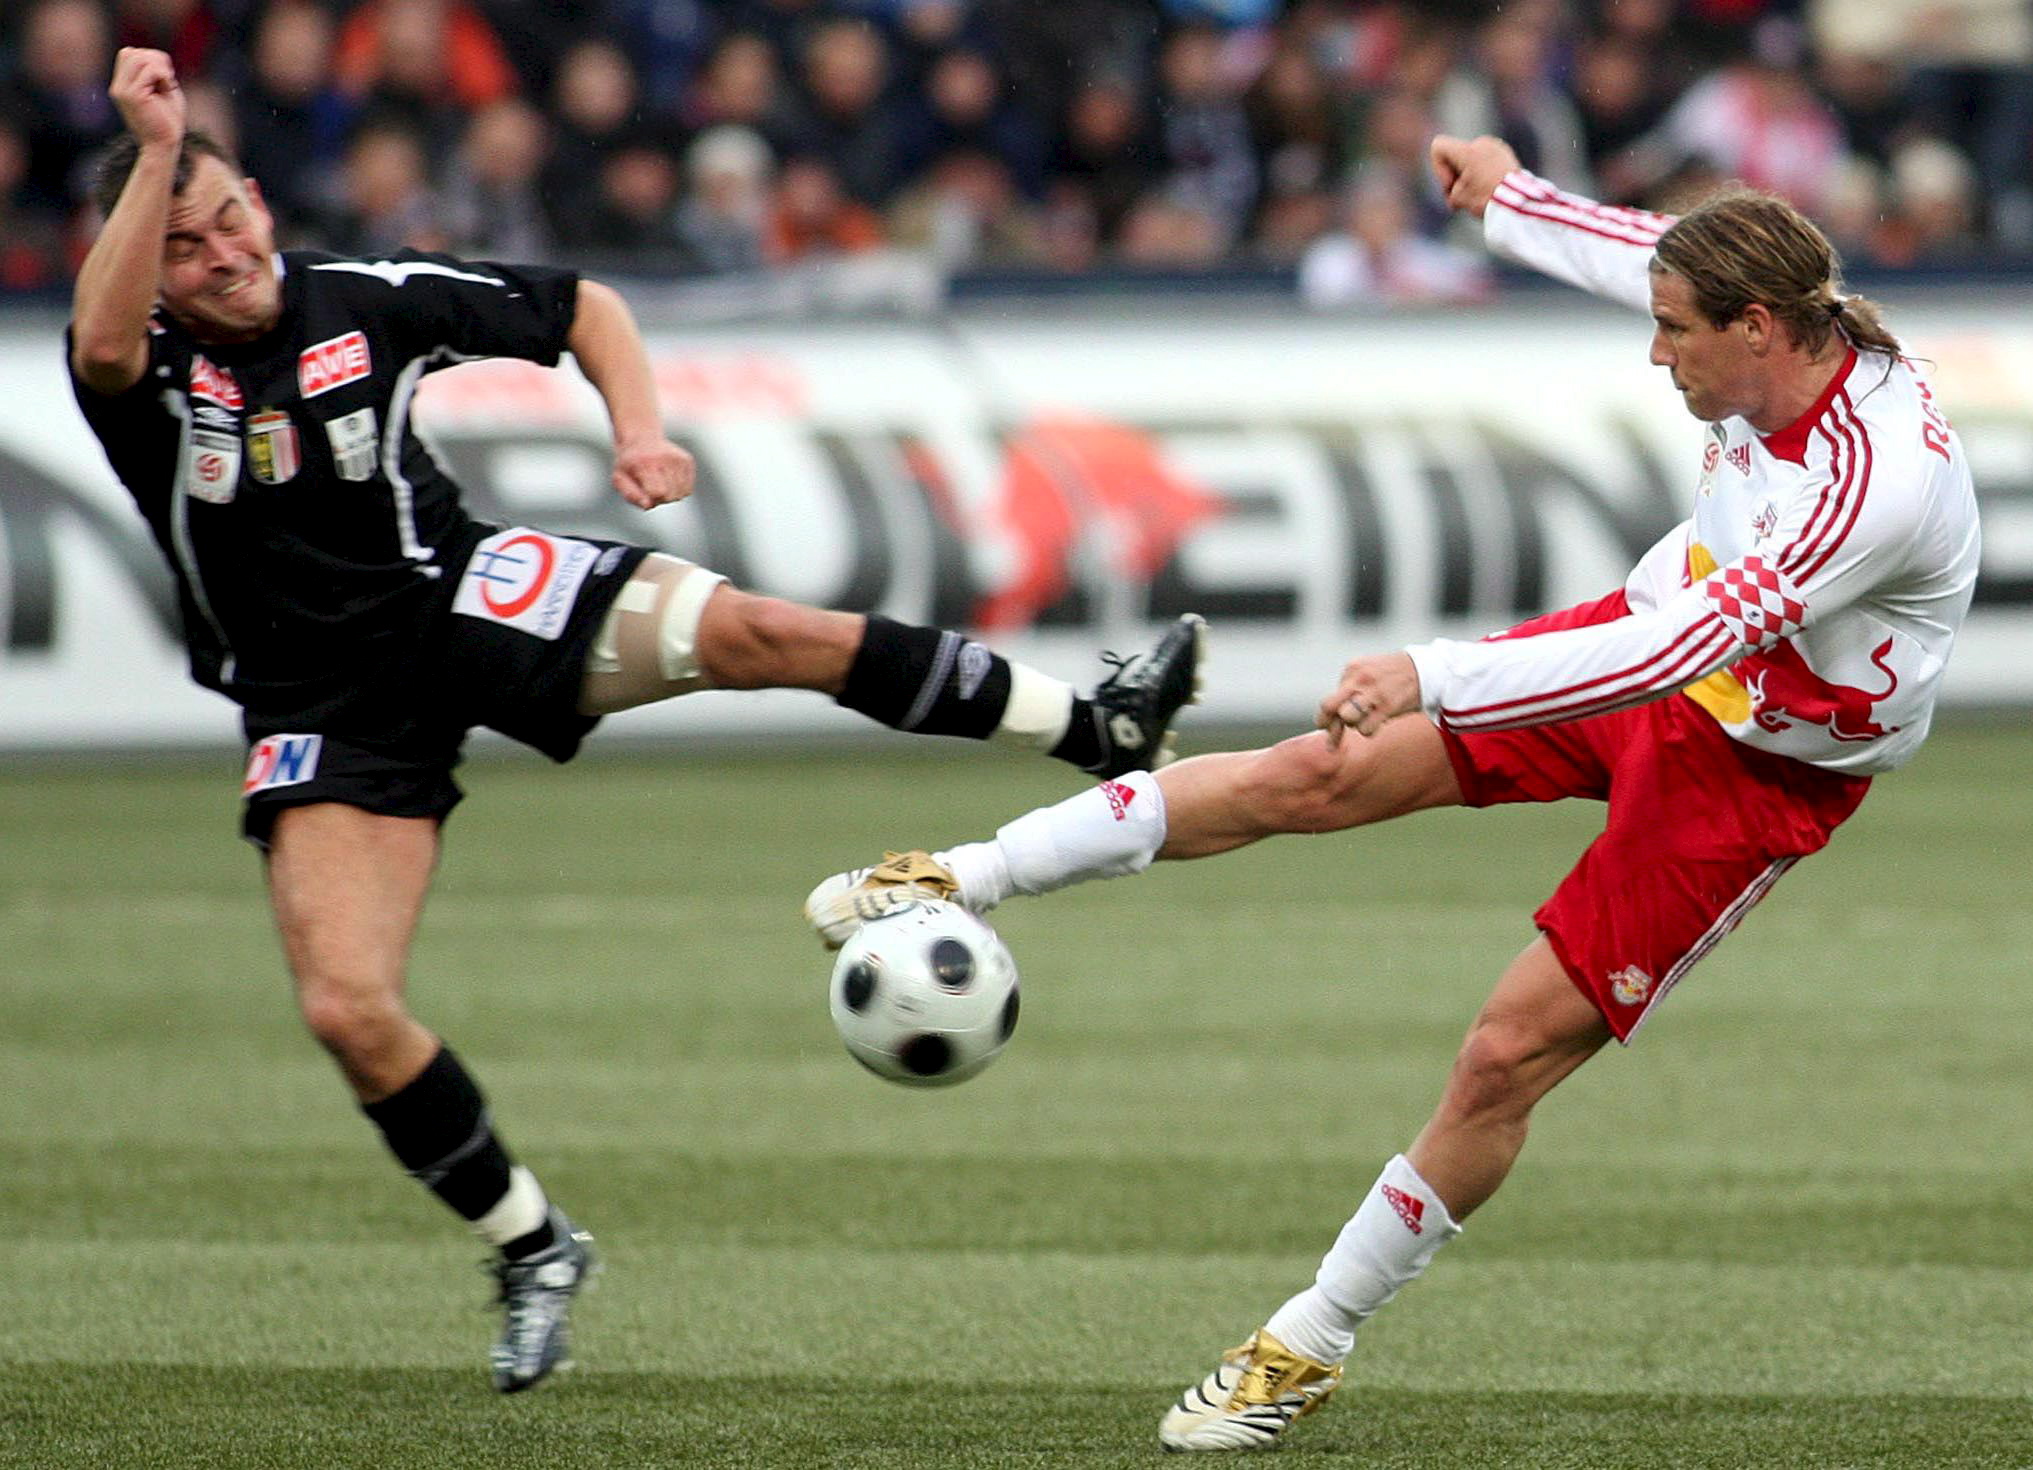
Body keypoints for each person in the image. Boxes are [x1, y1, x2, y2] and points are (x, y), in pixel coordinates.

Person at [805, 131, 1981, 1451]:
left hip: (1756, 761)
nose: (1655, 355)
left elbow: (1681, 653)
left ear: (1756, 328)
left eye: (1673, 333)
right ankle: (960, 874)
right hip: (1653, 644)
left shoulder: (1874, 483)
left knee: (1503, 1054)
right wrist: (1505, 197)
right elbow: (1626, 254)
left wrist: (1435, 672)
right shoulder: (1765, 330)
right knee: (1318, 770)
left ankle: (1307, 1340)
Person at [69, 48, 1204, 1397]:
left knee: (764, 632)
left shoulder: (363, 297)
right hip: (321, 703)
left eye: (229, 219)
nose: (221, 257)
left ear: (262, 200)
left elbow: (583, 307)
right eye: (181, 247)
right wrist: (157, 151)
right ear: (146, 265)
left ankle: (1099, 725)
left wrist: (638, 432)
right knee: (347, 1009)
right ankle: (532, 1244)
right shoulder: (144, 370)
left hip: (464, 594)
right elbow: (102, 343)